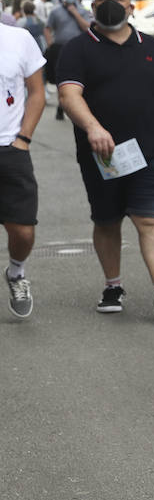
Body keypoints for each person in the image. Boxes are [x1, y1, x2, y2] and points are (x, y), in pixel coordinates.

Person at [55, 0, 154, 319]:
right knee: (106, 222)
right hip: (101, 158)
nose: (110, 3)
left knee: (150, 219)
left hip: (150, 153)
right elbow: (69, 95)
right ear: (92, 6)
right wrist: (93, 127)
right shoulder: (77, 49)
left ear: (131, 6)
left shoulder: (152, 47)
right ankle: (112, 285)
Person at [1, 20, 45, 317]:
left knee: (24, 232)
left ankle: (16, 272)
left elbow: (37, 92)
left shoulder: (19, 39)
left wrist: (24, 138)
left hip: (10, 150)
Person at [44, 0, 90, 121]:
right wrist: (50, 44)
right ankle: (61, 105)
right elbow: (47, 28)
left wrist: (74, 12)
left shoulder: (83, 11)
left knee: (80, 79)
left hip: (79, 50)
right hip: (60, 49)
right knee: (61, 79)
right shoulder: (56, 11)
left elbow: (87, 28)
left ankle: (74, 105)